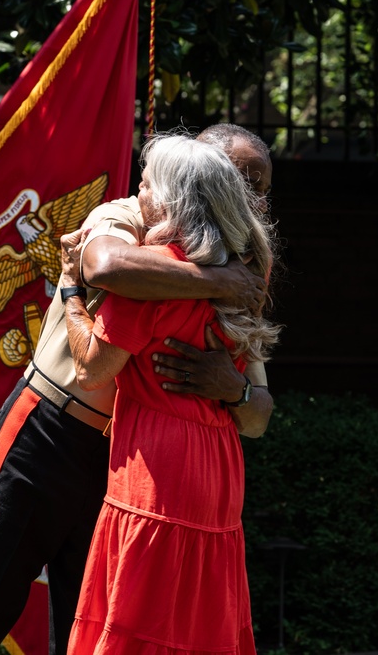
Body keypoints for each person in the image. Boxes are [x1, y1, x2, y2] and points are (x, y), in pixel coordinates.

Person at [0, 125, 275, 655]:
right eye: (239, 180)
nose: (252, 199)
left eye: (259, 187)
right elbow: (106, 265)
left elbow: (259, 415)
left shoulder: (243, 271)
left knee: (87, 628)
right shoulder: (132, 214)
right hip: (48, 434)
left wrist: (234, 390)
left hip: (131, 463)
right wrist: (212, 278)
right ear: (201, 178)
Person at [65, 132, 280, 655]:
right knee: (198, 621)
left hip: (157, 468)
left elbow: (93, 370)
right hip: (218, 466)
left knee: (142, 619)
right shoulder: (245, 276)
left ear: (173, 197)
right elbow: (257, 412)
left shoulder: (151, 276)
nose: (137, 192)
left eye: (146, 182)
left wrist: (72, 292)